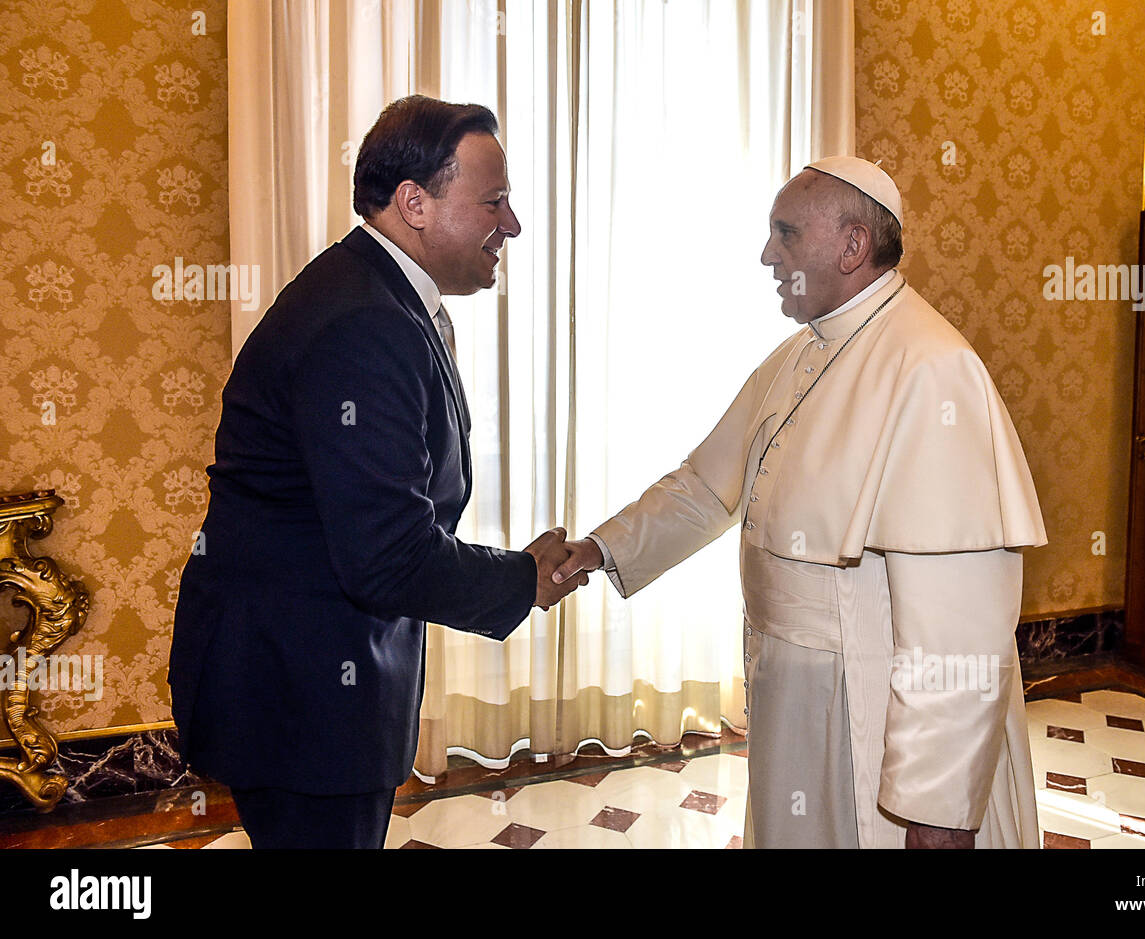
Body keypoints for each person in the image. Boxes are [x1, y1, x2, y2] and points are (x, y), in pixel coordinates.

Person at [555, 157, 1048, 849]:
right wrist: (603, 547)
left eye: (784, 233)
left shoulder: (933, 367)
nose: (766, 254)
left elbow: (960, 627)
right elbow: (706, 483)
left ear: (852, 245)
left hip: (873, 711)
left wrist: (937, 806)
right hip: (793, 694)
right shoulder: (797, 354)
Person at [168, 96, 586, 849]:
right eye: (494, 201)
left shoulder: (378, 295)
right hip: (301, 697)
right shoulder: (363, 321)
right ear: (414, 203)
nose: (513, 224)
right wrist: (524, 578)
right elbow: (389, 554)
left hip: (309, 677)